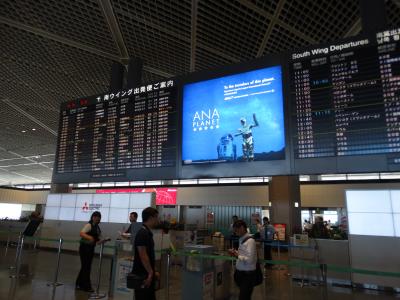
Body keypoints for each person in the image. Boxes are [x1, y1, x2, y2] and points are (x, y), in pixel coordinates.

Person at [131, 207, 160, 300]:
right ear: (151, 218)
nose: (157, 220)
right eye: (156, 217)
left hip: (147, 274)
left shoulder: (147, 232)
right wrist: (151, 273)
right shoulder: (142, 233)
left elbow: (148, 254)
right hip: (143, 276)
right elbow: (143, 255)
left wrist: (153, 271)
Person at [229, 220, 257, 300]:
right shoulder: (241, 239)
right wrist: (235, 252)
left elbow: (250, 260)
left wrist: (237, 255)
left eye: (236, 230)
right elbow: (244, 254)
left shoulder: (250, 241)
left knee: (244, 297)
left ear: (241, 228)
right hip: (240, 274)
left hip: (247, 275)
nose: (235, 232)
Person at [76, 211, 103, 292]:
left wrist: (103, 240)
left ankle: (79, 284)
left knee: (85, 267)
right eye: (97, 218)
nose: (98, 220)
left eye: (99, 218)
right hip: (84, 248)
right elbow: (81, 233)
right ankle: (86, 286)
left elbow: (98, 240)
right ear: (93, 217)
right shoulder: (89, 225)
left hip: (91, 248)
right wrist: (89, 238)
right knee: (86, 267)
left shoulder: (97, 227)